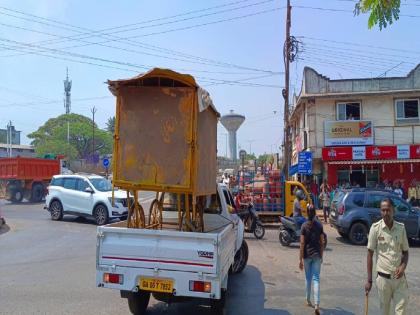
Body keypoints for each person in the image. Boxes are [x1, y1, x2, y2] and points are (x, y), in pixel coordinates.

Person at [365, 198, 409, 315]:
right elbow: (370, 254)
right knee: (385, 312)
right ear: (380, 211)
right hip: (383, 280)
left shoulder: (401, 228)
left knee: (401, 311)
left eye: (388, 210)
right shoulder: (375, 229)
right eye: (383, 210)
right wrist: (369, 280)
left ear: (393, 210)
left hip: (399, 280)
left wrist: (403, 266)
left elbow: (406, 252)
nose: (385, 213)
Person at [299, 205, 324, 315]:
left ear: (307, 213)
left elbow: (302, 243)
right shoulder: (319, 226)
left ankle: (308, 299)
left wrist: (300, 259)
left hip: (306, 255)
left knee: (308, 278)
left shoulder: (304, 226)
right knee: (316, 279)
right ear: (314, 213)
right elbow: (322, 242)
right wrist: (321, 255)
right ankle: (317, 304)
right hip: (317, 255)